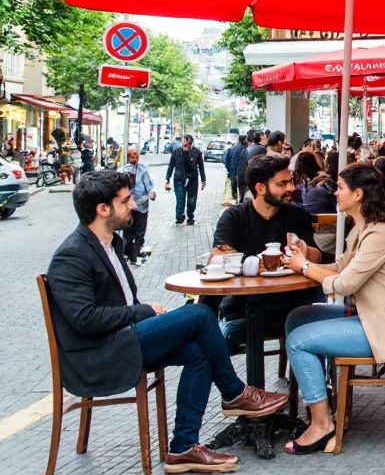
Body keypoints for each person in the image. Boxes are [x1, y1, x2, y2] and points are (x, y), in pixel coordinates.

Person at [46, 170, 287, 472]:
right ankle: (235, 393)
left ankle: (183, 448)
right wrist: (143, 311)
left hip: (123, 338)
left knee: (199, 352)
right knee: (199, 314)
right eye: (124, 201)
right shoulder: (72, 255)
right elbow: (85, 320)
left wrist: (141, 314)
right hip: (99, 354)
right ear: (102, 209)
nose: (133, 204)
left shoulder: (112, 244)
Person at [279, 162, 385, 456]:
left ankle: (321, 423)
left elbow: (343, 284)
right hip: (370, 316)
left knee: (298, 341)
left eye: (340, 188)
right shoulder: (365, 227)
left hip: (384, 326)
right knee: (298, 317)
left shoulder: (379, 233)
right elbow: (341, 267)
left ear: (358, 194)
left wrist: (303, 267)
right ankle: (323, 402)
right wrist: (307, 259)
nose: (335, 193)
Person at [210, 154, 323, 353]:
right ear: (260, 188)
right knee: (217, 341)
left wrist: (302, 249)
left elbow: (317, 257)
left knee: (313, 331)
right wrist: (260, 264)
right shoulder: (234, 216)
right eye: (283, 183)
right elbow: (218, 256)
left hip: (289, 307)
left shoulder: (297, 215)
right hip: (242, 308)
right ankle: (239, 385)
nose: (291, 188)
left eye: (291, 181)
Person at [118, 147, 155, 266]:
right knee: (128, 231)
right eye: (132, 155)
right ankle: (130, 253)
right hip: (128, 206)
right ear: (128, 157)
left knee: (140, 231)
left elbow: (149, 184)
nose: (134, 157)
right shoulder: (122, 171)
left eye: (136, 154)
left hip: (141, 204)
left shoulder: (143, 169)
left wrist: (152, 192)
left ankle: (136, 252)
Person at [164, 135, 206, 226]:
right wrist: (167, 179)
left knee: (192, 199)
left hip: (192, 179)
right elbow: (170, 166)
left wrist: (203, 180)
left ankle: (190, 217)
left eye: (186, 142)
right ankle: (179, 217)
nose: (184, 144)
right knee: (180, 199)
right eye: (183, 142)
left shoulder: (197, 153)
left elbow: (201, 167)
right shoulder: (176, 153)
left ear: (190, 143)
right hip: (179, 179)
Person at [223, 134, 250, 206]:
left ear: (238, 140)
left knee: (235, 185)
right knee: (243, 188)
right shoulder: (247, 148)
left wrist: (230, 170)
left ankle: (236, 198)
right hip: (243, 172)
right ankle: (240, 200)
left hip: (234, 171)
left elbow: (227, 159)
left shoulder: (233, 148)